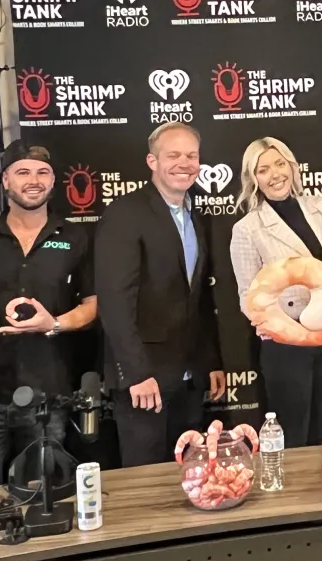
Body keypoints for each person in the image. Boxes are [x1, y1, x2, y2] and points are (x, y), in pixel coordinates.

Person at [0, 141, 97, 489]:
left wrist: (54, 324)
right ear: (6, 181)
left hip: (50, 395)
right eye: (23, 172)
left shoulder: (76, 239)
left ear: (54, 181)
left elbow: (93, 305)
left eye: (43, 172)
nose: (34, 180)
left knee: (44, 496)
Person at [94, 122, 226, 466]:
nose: (184, 163)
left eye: (191, 155)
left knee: (190, 476)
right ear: (152, 161)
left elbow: (196, 300)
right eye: (173, 155)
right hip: (144, 380)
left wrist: (208, 361)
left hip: (188, 380)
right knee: (146, 483)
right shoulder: (125, 213)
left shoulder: (195, 216)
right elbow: (114, 301)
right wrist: (136, 373)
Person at [228, 137, 322, 446]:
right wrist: (276, 325)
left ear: (292, 167)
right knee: (294, 435)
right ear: (253, 179)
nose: (275, 175)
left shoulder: (317, 205)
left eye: (280, 164)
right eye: (263, 169)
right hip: (284, 346)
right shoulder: (247, 228)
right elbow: (247, 295)